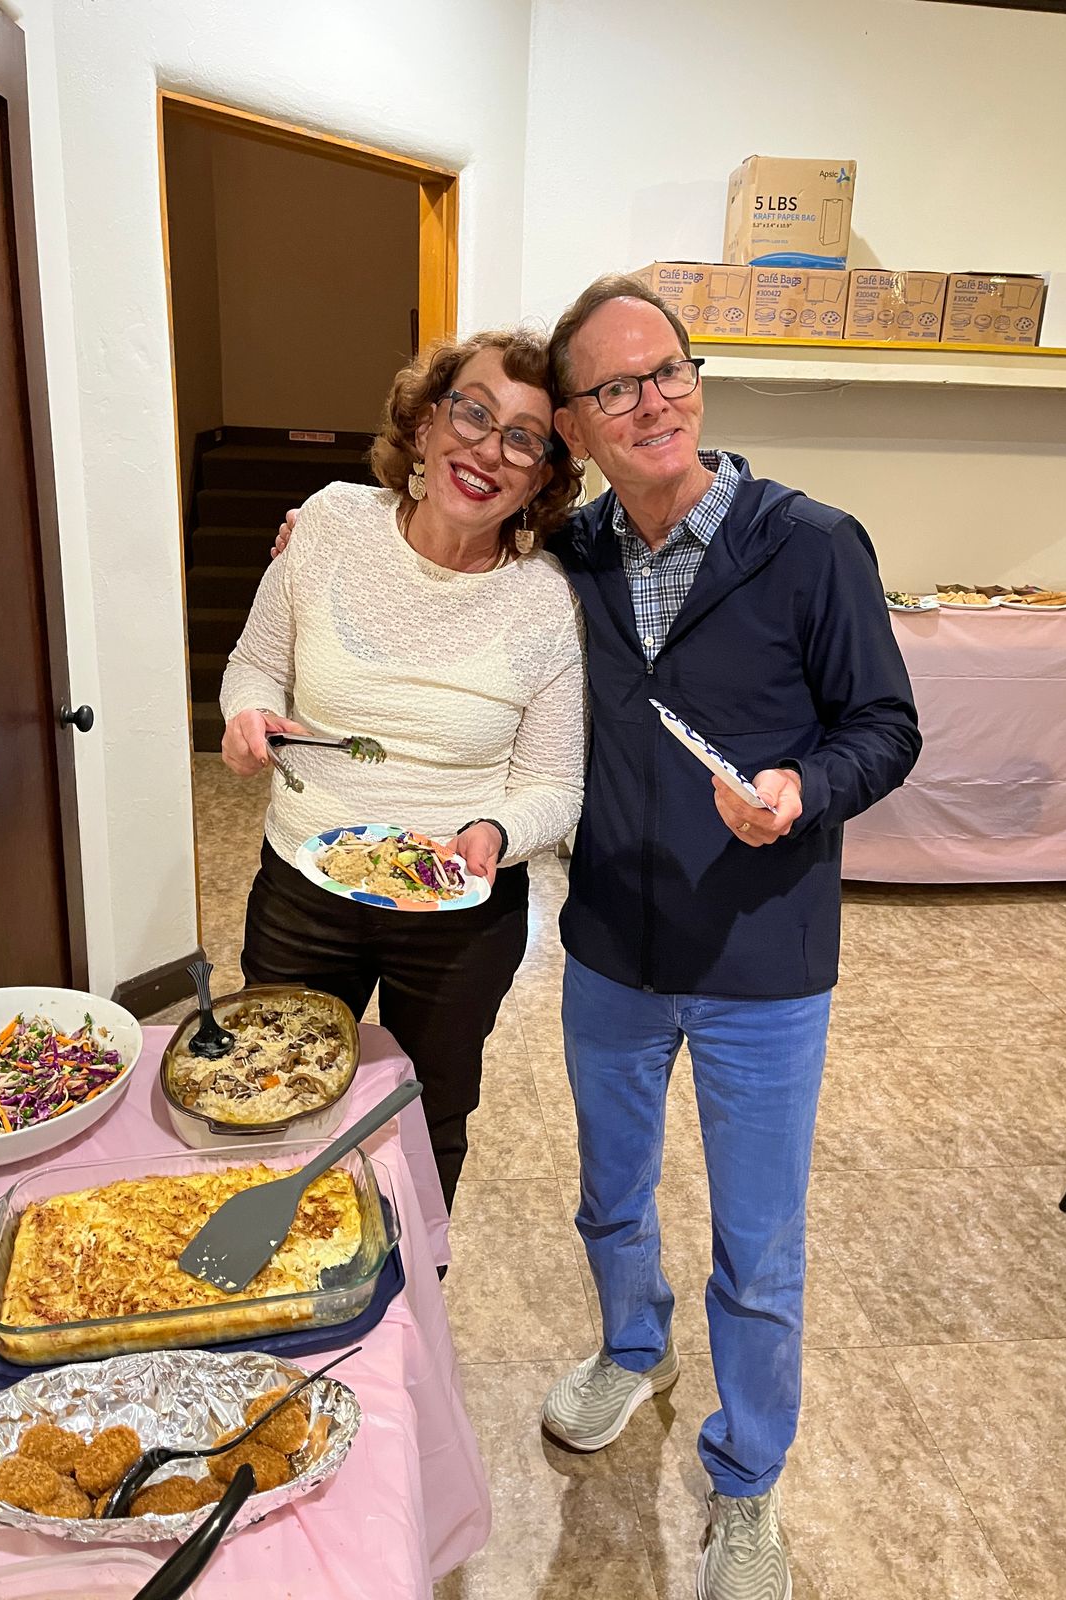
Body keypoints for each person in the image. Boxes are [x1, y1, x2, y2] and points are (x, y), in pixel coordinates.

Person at [274, 278, 921, 1596]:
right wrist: (324, 526)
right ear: (573, 425)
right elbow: (439, 549)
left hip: (764, 964)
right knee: (610, 1194)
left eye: (670, 370)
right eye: (615, 388)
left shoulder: (811, 546)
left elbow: (885, 726)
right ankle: (635, 1349)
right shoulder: (564, 558)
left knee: (759, 1245)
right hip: (613, 949)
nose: (654, 402)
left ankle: (748, 1481)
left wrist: (804, 788)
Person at [224, 328, 585, 1211]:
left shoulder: (545, 600)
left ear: (541, 477)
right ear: (425, 425)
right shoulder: (329, 525)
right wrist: (247, 714)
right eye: (472, 414)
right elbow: (256, 664)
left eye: (523, 439)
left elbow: (556, 787)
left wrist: (497, 832)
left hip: (458, 910)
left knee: (428, 1115)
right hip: (306, 885)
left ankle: (413, 1280)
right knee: (276, 1094)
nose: (488, 450)